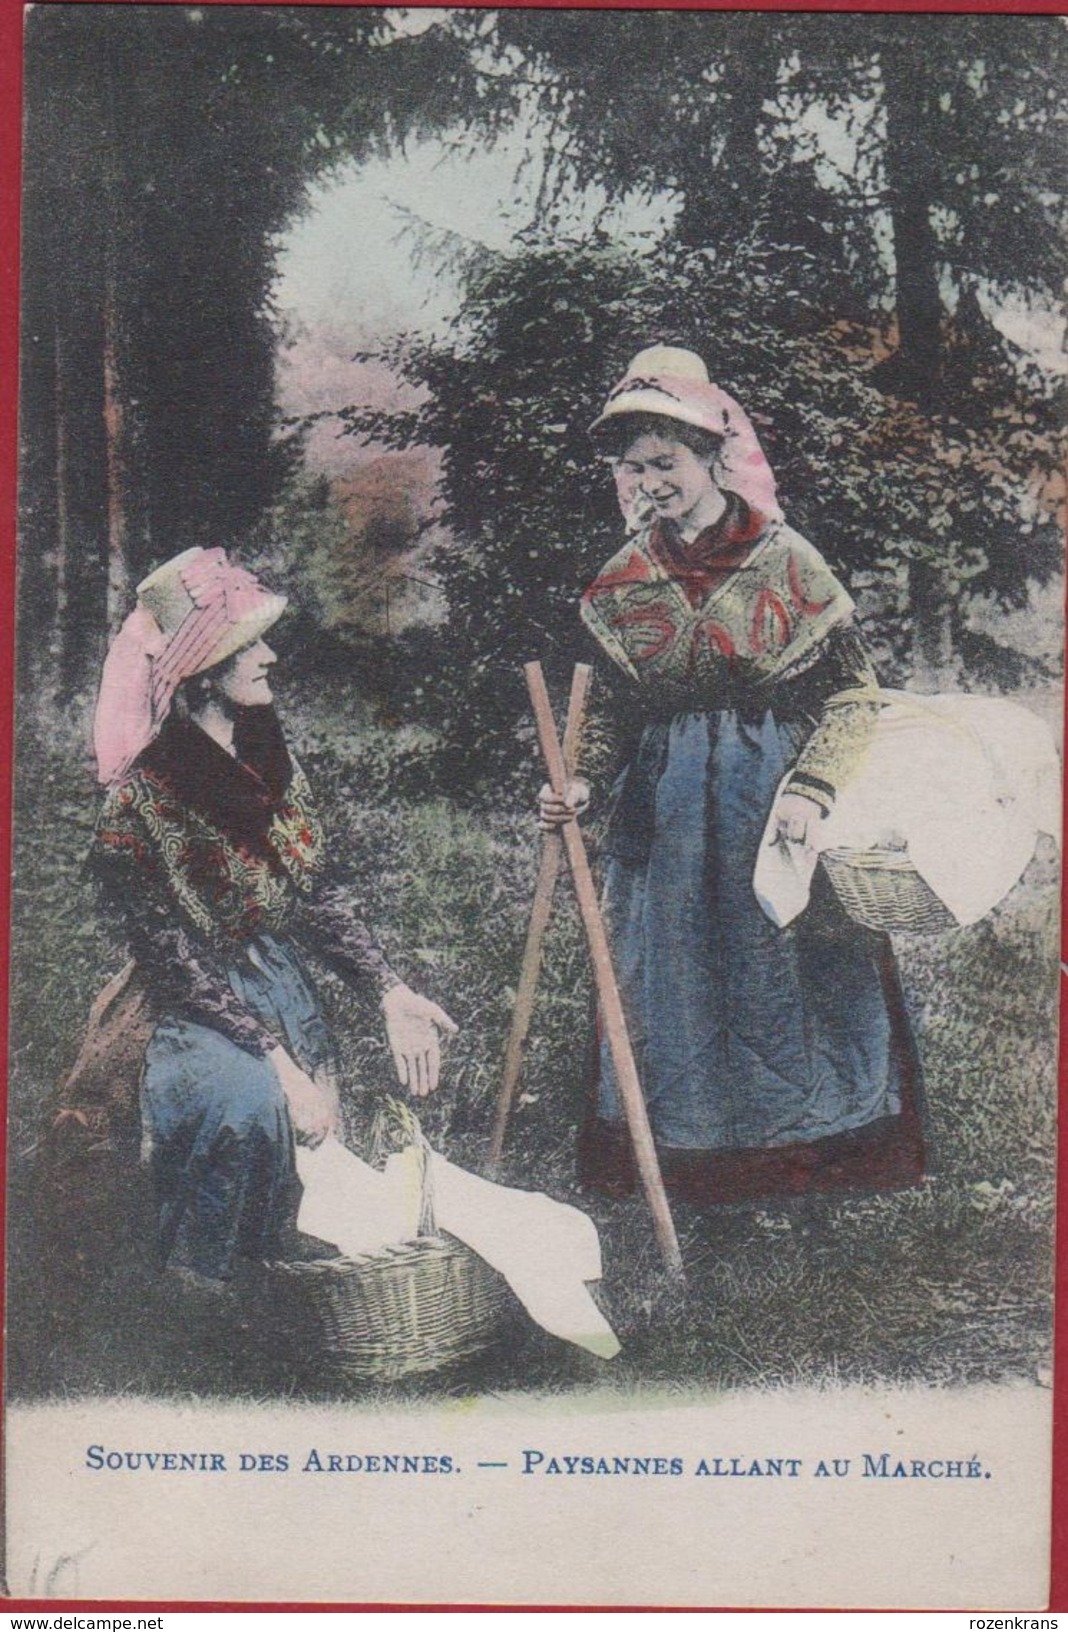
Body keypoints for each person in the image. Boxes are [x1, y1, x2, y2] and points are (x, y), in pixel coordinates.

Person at [539, 345, 925, 1206]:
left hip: (771, 805)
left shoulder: (790, 565)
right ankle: (690, 1173)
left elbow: (853, 697)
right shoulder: (623, 583)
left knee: (782, 979)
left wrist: (812, 789)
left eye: (666, 463)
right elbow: (608, 715)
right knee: (671, 981)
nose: (650, 483)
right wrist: (583, 782)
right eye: (635, 468)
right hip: (668, 822)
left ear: (715, 455)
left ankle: (811, 1167)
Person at [90, 546, 457, 1287]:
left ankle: (281, 1284)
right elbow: (172, 961)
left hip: (274, 981)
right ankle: (203, 1291)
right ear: (200, 668)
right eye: (248, 644)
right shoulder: (140, 800)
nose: (271, 656)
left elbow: (311, 892)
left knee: (313, 1159)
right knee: (247, 1102)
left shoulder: (266, 755)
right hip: (186, 1007)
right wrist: (279, 1065)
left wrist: (387, 989)